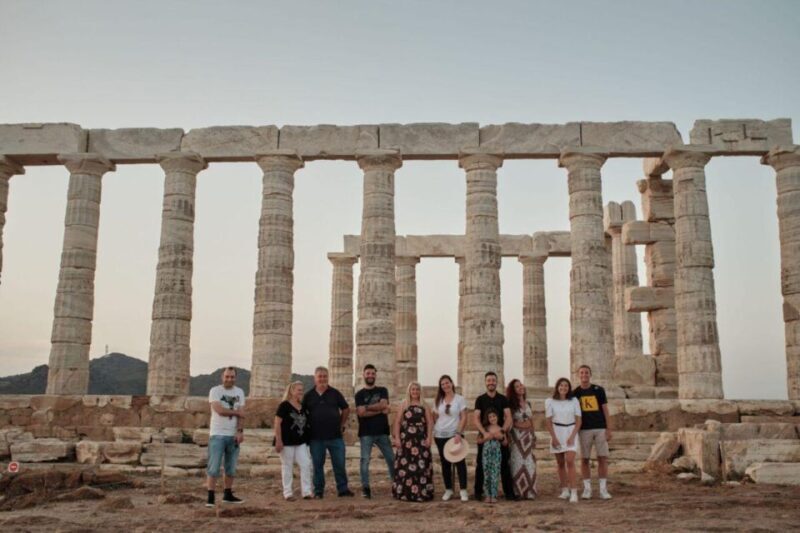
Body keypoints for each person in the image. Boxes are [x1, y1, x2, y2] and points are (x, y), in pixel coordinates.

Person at [302, 366, 354, 498]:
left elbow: (346, 409)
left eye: (325, 376)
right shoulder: (308, 396)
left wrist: (341, 424)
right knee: (317, 465)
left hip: (335, 436)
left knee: (339, 464)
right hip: (316, 437)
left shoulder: (335, 393)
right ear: (315, 378)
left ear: (328, 377)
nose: (322, 379)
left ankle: (343, 489)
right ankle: (319, 491)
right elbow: (301, 413)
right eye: (320, 376)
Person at [205, 367, 245, 507]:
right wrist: (236, 413)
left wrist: (240, 431)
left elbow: (242, 414)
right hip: (217, 434)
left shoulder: (239, 392)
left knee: (231, 468)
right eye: (227, 376)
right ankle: (210, 497)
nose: (229, 379)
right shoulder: (215, 391)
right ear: (222, 377)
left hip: (233, 435)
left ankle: (227, 494)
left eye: (232, 377)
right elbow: (219, 410)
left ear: (235, 378)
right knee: (214, 467)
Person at [472, 371, 515, 501]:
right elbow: (476, 418)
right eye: (489, 380)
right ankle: (478, 493)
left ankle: (509, 494)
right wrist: (484, 433)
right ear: (485, 382)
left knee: (504, 464)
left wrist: (502, 431)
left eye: (493, 380)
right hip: (485, 435)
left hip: (500, 433)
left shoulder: (503, 399)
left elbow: (508, 417)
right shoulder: (480, 399)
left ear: (497, 382)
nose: (491, 382)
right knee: (481, 464)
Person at [355, 364, 395, 498]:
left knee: (391, 459)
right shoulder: (359, 394)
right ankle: (365, 488)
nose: (370, 376)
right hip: (366, 433)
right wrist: (379, 411)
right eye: (368, 373)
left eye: (372, 373)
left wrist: (367, 408)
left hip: (382, 431)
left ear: (375, 375)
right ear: (363, 375)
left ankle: (396, 485)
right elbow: (361, 414)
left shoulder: (383, 390)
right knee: (364, 461)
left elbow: (384, 405)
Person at [573, 364, 613, 500]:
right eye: (582, 373)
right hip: (584, 429)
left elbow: (605, 410)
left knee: (602, 458)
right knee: (584, 459)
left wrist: (609, 428)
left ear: (590, 374)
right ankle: (587, 489)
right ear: (578, 375)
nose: (584, 375)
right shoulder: (575, 393)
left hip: (600, 428)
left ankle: (603, 489)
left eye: (586, 373)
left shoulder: (599, 390)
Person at [391, 381, 434, 502]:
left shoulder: (424, 405)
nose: (415, 391)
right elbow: (398, 422)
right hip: (406, 440)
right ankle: (405, 493)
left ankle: (421, 493)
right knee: (405, 467)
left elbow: (430, 423)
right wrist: (397, 438)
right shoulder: (404, 404)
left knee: (421, 465)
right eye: (413, 389)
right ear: (409, 391)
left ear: (420, 391)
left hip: (421, 440)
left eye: (417, 389)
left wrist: (429, 437)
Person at [432, 374, 469, 502]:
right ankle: (448, 489)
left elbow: (464, 416)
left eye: (447, 383)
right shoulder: (438, 400)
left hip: (455, 434)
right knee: (445, 463)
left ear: (452, 383)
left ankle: (463, 490)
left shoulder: (459, 399)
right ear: (441, 387)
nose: (445, 386)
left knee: (460, 462)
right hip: (440, 434)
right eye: (443, 384)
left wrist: (459, 432)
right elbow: (435, 417)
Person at [274, 380, 312, 500]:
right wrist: (278, 440)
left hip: (301, 441)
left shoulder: (303, 406)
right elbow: (277, 423)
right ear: (292, 391)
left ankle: (306, 492)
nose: (301, 392)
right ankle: (288, 493)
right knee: (287, 466)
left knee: (306, 464)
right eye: (299, 390)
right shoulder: (284, 405)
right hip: (286, 441)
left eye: (302, 390)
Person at [546, 377, 582, 503]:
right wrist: (554, 438)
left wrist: (572, 436)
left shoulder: (574, 401)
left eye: (566, 385)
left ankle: (574, 491)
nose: (563, 387)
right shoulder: (550, 401)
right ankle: (564, 490)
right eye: (561, 385)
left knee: (570, 461)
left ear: (569, 388)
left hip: (570, 430)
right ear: (557, 387)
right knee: (560, 463)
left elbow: (578, 421)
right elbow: (548, 422)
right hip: (557, 431)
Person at [506, 379, 538, 500]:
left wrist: (533, 436)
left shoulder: (528, 403)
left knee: (529, 463)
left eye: (521, 385)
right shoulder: (510, 404)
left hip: (528, 438)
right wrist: (522, 425)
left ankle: (529, 491)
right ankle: (518, 492)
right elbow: (511, 421)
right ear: (513, 390)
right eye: (517, 386)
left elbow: (531, 420)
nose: (520, 387)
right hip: (516, 439)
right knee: (517, 463)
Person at [476, 408, 506, 504]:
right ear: (487, 419)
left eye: (494, 416)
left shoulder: (501, 429)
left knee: (495, 474)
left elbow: (506, 443)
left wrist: (501, 438)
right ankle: (487, 495)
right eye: (490, 417)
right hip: (486, 454)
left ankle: (494, 495)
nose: (492, 418)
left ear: (497, 417)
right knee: (487, 474)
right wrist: (486, 438)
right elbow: (478, 440)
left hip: (496, 455)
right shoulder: (485, 429)